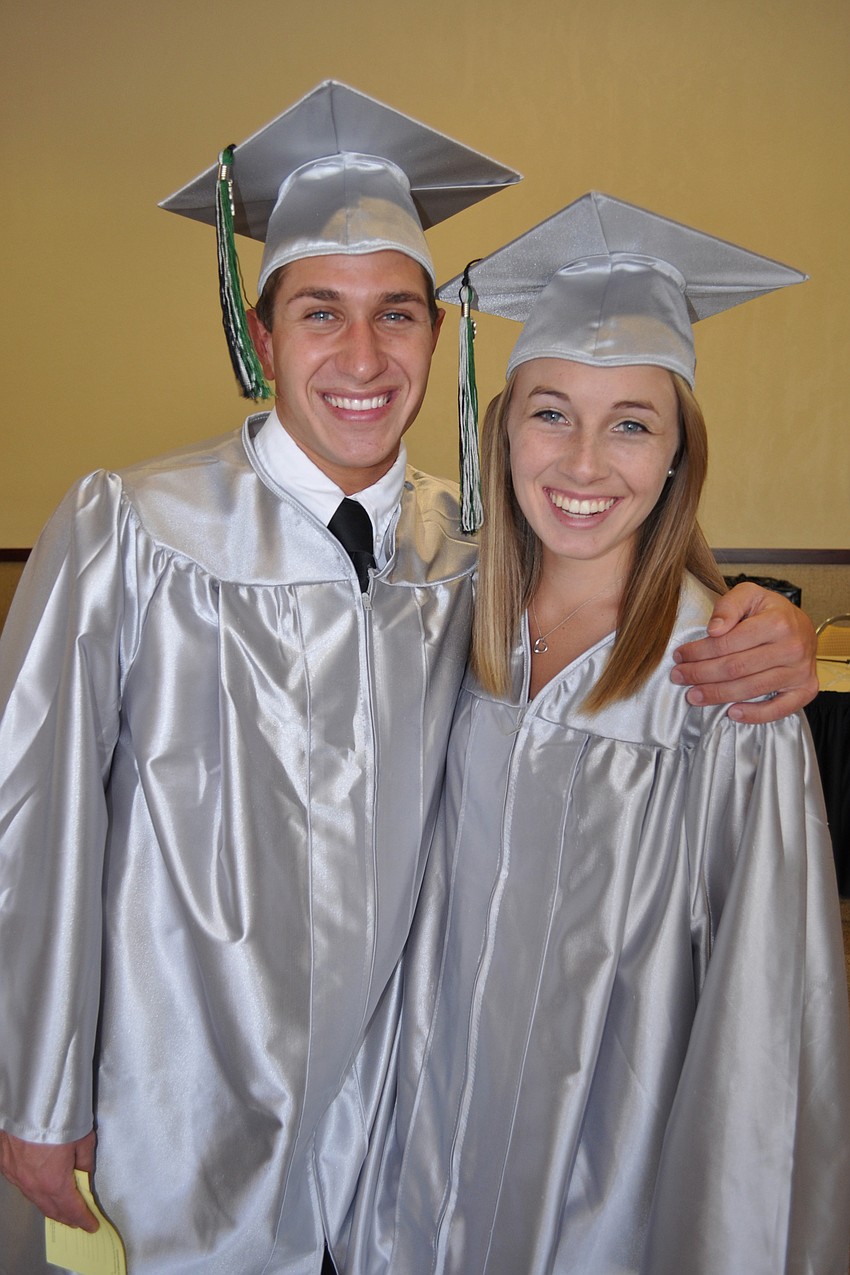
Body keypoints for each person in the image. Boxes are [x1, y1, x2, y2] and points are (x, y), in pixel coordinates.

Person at [0, 82, 816, 1275]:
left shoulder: (464, 560)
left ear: (440, 339)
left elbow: (617, 565)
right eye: (320, 312)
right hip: (166, 1107)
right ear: (262, 333)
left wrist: (768, 622)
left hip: (387, 1131)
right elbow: (36, 821)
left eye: (399, 314)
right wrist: (35, 1085)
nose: (364, 356)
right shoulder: (134, 531)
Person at [350, 194, 850, 1274]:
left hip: (598, 1184)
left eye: (631, 422)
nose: (583, 463)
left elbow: (764, 1010)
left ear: (677, 457)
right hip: (406, 1147)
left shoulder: (718, 685)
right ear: (502, 424)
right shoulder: (433, 614)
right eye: (549, 412)